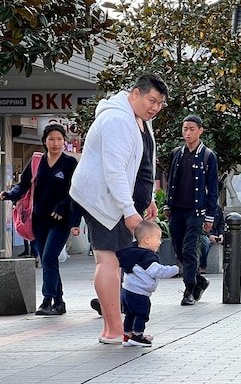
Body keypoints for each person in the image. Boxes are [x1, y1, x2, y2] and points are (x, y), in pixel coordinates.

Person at [69, 74, 166, 344]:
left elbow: (143, 162)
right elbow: (114, 171)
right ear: (135, 93)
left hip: (123, 201)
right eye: (151, 100)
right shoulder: (116, 120)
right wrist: (128, 210)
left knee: (119, 262)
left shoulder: (140, 120)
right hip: (103, 199)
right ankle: (112, 330)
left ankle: (120, 328)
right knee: (108, 260)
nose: (155, 107)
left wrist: (147, 199)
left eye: (160, 103)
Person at [1, 124, 80, 315]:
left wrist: (64, 209)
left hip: (60, 220)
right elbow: (24, 185)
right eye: (51, 139)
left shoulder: (70, 163)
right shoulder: (37, 161)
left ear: (64, 141)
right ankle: (59, 302)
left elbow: (75, 190)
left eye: (59, 139)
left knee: (49, 256)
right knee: (48, 261)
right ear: (44, 141)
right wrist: (9, 194)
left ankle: (46, 300)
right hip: (38, 220)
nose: (55, 143)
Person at [164, 114, 219, 306]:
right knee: (178, 249)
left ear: (200, 131)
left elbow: (213, 189)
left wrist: (210, 216)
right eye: (185, 129)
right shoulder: (176, 154)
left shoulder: (208, 156)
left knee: (189, 250)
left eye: (192, 129)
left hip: (196, 213)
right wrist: (167, 205)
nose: (187, 133)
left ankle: (188, 290)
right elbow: (171, 180)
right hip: (177, 211)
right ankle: (199, 281)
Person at [116, 221, 180, 347]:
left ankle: (127, 335)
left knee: (130, 314)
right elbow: (156, 271)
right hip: (139, 293)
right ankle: (137, 336)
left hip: (127, 291)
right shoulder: (147, 256)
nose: (160, 242)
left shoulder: (132, 252)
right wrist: (174, 269)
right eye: (158, 238)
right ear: (147, 239)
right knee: (141, 314)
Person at [198, 203, 225, 273]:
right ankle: (202, 266)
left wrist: (221, 234)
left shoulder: (217, 208)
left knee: (232, 238)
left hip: (215, 233)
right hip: (203, 234)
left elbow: (221, 224)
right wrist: (209, 235)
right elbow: (198, 225)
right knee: (205, 242)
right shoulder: (200, 207)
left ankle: (227, 264)